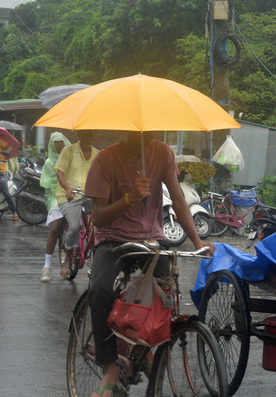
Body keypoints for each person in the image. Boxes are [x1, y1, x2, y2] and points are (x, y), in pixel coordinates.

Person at [84, 131, 215, 397]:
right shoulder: (105, 160)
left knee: (166, 291)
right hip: (113, 240)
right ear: (126, 131)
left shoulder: (162, 153)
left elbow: (178, 199)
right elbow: (97, 217)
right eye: (141, 133)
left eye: (152, 132)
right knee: (100, 291)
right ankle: (109, 368)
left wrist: (197, 241)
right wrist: (130, 198)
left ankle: (142, 350)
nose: (148, 136)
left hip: (150, 239)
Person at [54, 130, 98, 279]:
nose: (88, 138)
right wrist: (67, 188)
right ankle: (67, 257)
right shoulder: (69, 151)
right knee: (73, 226)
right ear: (79, 136)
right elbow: (60, 173)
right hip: (69, 197)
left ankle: (95, 257)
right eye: (85, 135)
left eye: (91, 135)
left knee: (97, 226)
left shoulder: (98, 154)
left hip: (89, 196)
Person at [40, 132, 71, 281]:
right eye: (56, 142)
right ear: (52, 144)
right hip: (55, 197)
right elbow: (50, 184)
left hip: (72, 195)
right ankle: (47, 266)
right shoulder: (49, 163)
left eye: (61, 142)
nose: (59, 145)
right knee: (54, 229)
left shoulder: (70, 158)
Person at [0, 139, 18, 221]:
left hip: (1, 171)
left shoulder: (0, 141)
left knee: (6, 192)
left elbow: (11, 147)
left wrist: (1, 155)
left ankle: (14, 213)